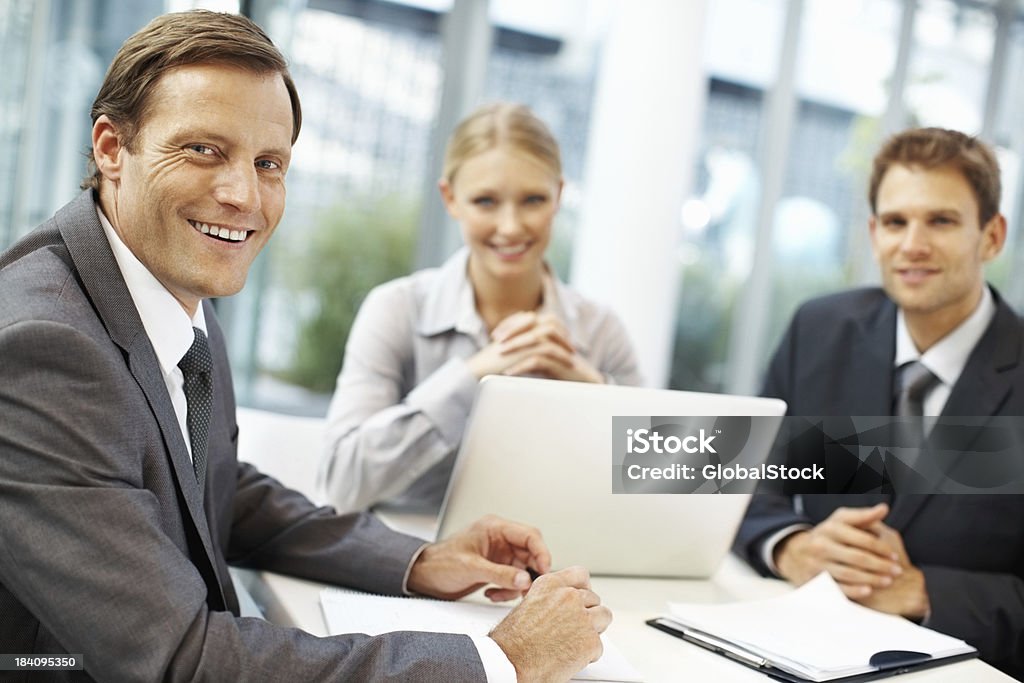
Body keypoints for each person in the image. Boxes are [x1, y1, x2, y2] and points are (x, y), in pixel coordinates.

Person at [0, 11, 611, 682]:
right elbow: (181, 659)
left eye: (269, 164)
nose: (243, 196)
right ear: (111, 148)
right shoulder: (44, 347)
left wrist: (417, 561)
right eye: (203, 149)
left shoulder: (157, 280)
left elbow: (218, 489)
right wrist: (501, 657)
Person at [734, 127, 1024, 677]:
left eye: (940, 220)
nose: (912, 244)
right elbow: (742, 477)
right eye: (895, 222)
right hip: (797, 652)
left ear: (991, 236)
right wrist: (792, 546)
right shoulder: (819, 331)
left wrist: (923, 591)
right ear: (873, 234)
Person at [320, 103, 643, 514]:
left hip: (553, 565)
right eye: (486, 202)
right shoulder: (397, 309)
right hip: (407, 562)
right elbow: (340, 484)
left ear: (559, 196)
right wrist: (473, 376)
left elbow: (658, 495)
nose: (510, 226)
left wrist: (590, 389)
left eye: (533, 200)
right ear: (451, 199)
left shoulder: (601, 331)